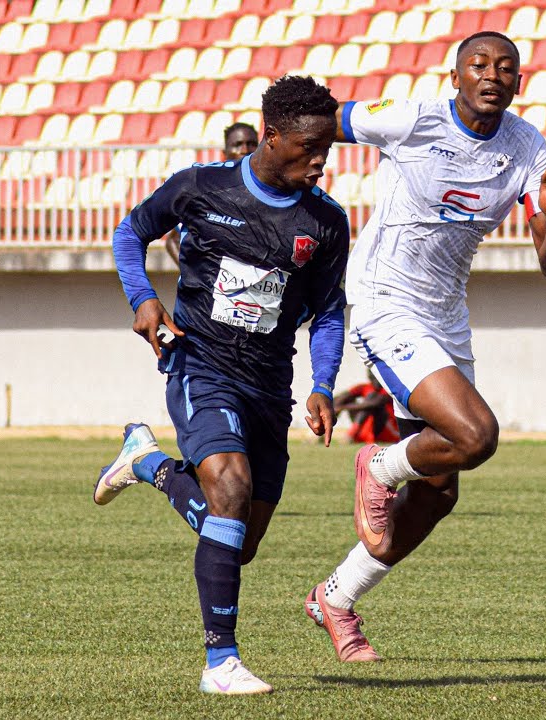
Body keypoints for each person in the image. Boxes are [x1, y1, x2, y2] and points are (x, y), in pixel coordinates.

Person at [302, 31, 546, 662]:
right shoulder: (411, 119)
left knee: (439, 491)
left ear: (518, 83)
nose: (492, 75)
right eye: (478, 64)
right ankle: (378, 466)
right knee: (477, 435)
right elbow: (322, 122)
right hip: (385, 300)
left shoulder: (527, 148)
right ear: (455, 77)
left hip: (445, 316)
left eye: (505, 68)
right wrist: (283, 185)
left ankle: (335, 598)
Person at [94, 76, 348, 694]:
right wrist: (143, 298)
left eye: (328, 148)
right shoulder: (201, 188)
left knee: (239, 541)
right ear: (271, 136)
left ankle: (148, 463)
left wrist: (323, 383)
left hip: (270, 385)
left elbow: (329, 312)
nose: (321, 160)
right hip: (201, 364)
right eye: (309, 147)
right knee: (230, 489)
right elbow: (130, 232)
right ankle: (221, 664)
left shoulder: (326, 221)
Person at [164, 122, 260, 265]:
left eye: (251, 144)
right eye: (237, 144)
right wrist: (192, 272)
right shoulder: (209, 188)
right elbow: (173, 240)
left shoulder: (272, 189)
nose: (245, 150)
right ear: (225, 152)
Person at [333, 373, 400, 444]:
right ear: (370, 377)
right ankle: (327, 430)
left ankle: (351, 434)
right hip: (368, 428)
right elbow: (340, 398)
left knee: (371, 400)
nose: (377, 381)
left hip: (388, 431)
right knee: (348, 400)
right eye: (375, 378)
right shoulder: (365, 387)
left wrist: (342, 407)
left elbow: (374, 403)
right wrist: (336, 408)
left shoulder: (389, 390)